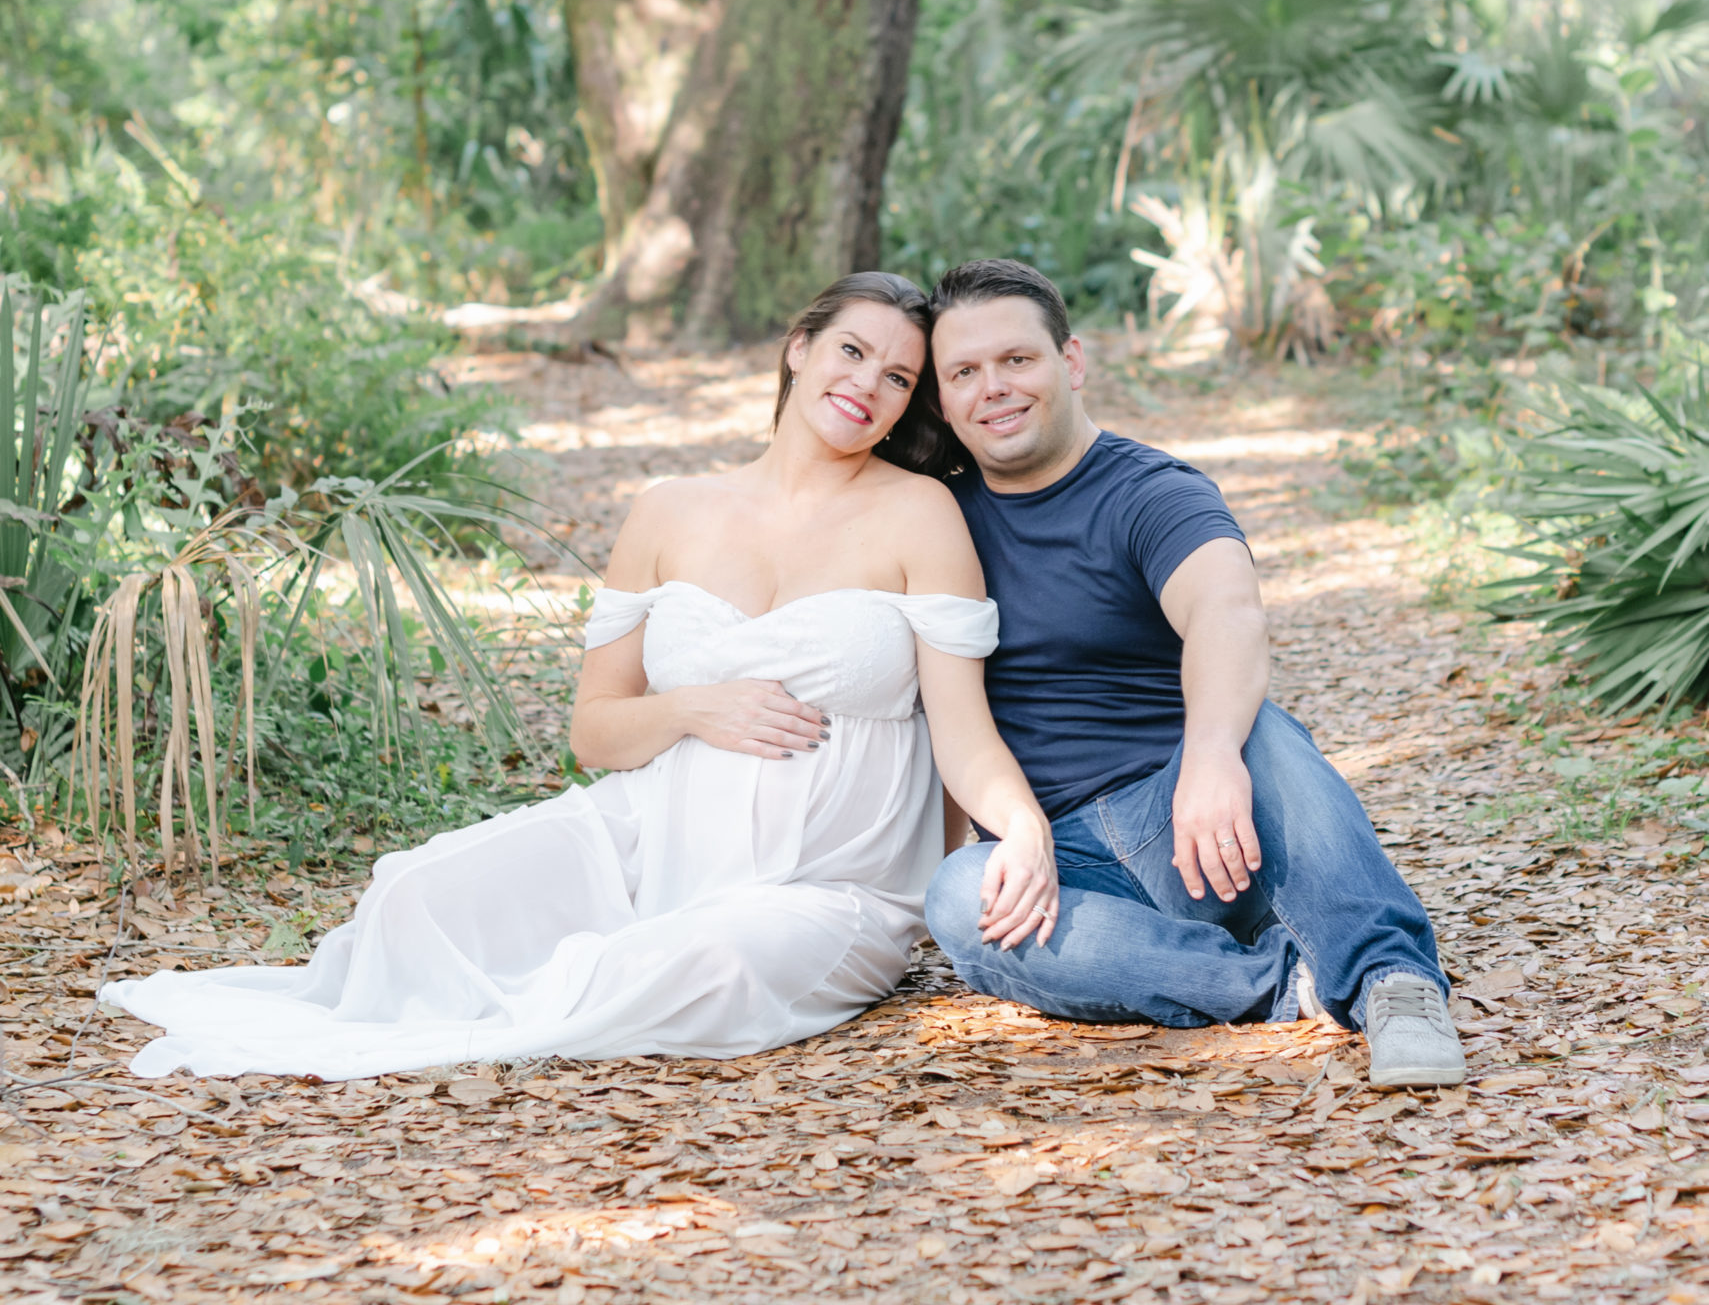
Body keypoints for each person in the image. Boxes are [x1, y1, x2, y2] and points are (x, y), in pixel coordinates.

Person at [103, 271, 1057, 1079]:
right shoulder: (670, 509)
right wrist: (691, 708)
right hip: (649, 839)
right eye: (851, 351)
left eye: (898, 377)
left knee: (702, 959)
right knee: (412, 892)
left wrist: (1017, 831)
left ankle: (567, 982)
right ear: (798, 348)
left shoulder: (920, 513)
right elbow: (593, 732)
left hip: (828, 885)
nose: (868, 386)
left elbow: (962, 730)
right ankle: (530, 961)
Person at [920, 258, 1465, 1091]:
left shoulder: (1149, 491)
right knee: (959, 899)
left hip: (1192, 825)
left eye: (1016, 360)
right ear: (943, 394)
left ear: (1070, 362)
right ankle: (1284, 983)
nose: (992, 387)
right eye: (964, 371)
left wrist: (1210, 757)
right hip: (1057, 857)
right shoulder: (934, 515)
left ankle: (1394, 981)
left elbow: (1225, 612)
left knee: (1263, 735)